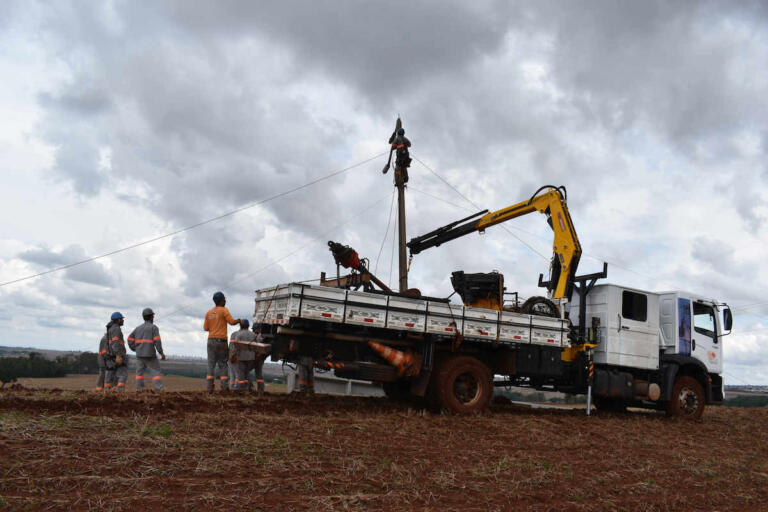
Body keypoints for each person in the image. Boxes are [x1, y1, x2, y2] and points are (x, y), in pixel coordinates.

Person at [203, 291, 240, 393]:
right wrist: (239, 321)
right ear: (221, 300)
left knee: (211, 364)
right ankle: (224, 387)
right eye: (224, 299)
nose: (225, 300)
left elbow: (205, 328)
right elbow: (232, 322)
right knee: (223, 364)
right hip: (221, 341)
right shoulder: (224, 310)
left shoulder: (209, 313)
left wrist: (213, 325)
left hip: (210, 341)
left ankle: (210, 387)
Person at [127, 308, 165, 392]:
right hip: (150, 355)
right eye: (153, 316)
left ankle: (139, 390)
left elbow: (129, 339)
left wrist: (135, 348)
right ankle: (159, 389)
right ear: (151, 317)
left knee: (139, 373)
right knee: (156, 372)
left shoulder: (138, 328)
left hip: (139, 355)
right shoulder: (154, 328)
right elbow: (157, 341)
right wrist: (161, 353)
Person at [229, 319, 256, 392]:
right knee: (247, 374)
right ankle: (247, 389)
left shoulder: (238, 334)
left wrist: (232, 356)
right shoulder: (253, 335)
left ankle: (241, 390)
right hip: (251, 358)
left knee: (241, 375)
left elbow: (236, 347)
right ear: (248, 326)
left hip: (241, 358)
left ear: (240, 325)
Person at [105, 312, 128, 391]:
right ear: (118, 320)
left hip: (111, 356)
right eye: (122, 319)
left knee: (110, 376)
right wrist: (118, 356)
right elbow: (115, 343)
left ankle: (108, 392)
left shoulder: (111, 329)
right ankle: (120, 391)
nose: (123, 320)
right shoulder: (116, 329)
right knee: (123, 374)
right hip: (116, 356)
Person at [96, 321, 112, 391]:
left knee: (104, 374)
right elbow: (105, 352)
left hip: (103, 359)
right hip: (103, 360)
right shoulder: (106, 339)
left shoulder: (107, 338)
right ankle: (99, 388)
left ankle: (103, 388)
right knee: (103, 374)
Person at [252, 323, 267, 394]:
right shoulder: (262, 336)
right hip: (259, 358)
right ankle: (260, 390)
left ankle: (251, 388)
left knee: (245, 372)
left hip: (256, 358)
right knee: (259, 375)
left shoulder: (259, 337)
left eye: (254, 329)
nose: (254, 331)